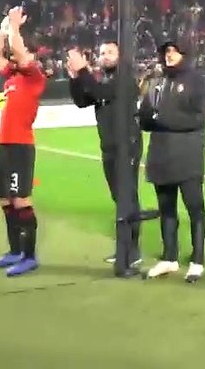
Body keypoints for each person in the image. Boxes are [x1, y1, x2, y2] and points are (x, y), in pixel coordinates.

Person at [138, 40, 205, 283]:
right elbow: (145, 120)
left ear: (185, 53)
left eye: (174, 51)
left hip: (187, 156)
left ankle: (197, 261)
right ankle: (169, 258)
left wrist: (162, 118)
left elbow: (197, 119)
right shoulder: (158, 82)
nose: (169, 55)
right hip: (160, 155)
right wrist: (148, 114)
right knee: (167, 210)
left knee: (194, 209)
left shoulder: (198, 81)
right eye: (166, 51)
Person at [67, 41, 142, 268]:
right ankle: (124, 247)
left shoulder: (125, 78)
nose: (105, 56)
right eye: (102, 53)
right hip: (109, 146)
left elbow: (99, 92)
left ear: (121, 55)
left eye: (110, 52)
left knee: (127, 197)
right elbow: (83, 101)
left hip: (126, 145)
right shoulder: (106, 79)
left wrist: (83, 71)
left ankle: (132, 250)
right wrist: (74, 78)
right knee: (119, 198)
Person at [0, 6, 46, 278]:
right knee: (5, 199)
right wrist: (3, 27)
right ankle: (14, 251)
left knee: (20, 200)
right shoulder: (12, 77)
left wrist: (15, 27)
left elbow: (20, 53)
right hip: (5, 146)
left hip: (21, 147)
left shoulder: (34, 77)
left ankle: (29, 256)